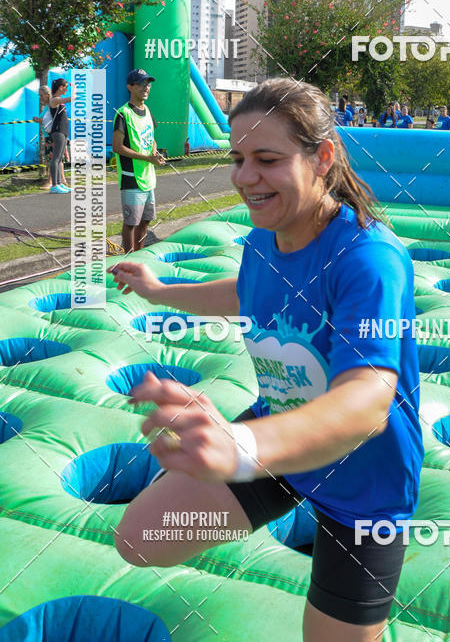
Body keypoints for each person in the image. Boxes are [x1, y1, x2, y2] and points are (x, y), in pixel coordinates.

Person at [111, 77, 424, 642]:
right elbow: (246, 291)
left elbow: (368, 400)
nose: (244, 176)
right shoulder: (264, 239)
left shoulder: (369, 258)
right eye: (238, 159)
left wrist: (241, 447)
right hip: (278, 443)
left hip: (363, 483)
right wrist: (160, 292)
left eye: (267, 159)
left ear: (322, 158)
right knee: (142, 537)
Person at [112, 69, 165, 252]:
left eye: (148, 84)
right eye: (141, 84)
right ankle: (129, 258)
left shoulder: (147, 110)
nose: (146, 87)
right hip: (131, 176)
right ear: (130, 87)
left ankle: (139, 255)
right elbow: (117, 147)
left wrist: (154, 152)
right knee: (131, 223)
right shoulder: (123, 113)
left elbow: (151, 138)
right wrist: (147, 158)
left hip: (148, 177)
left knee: (145, 220)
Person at [46, 78, 74, 194]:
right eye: (66, 87)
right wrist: (75, 87)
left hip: (62, 131)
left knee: (59, 159)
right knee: (56, 158)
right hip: (58, 132)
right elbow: (73, 98)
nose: (67, 89)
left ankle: (59, 183)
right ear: (60, 87)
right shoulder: (55, 99)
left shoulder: (58, 100)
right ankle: (54, 185)